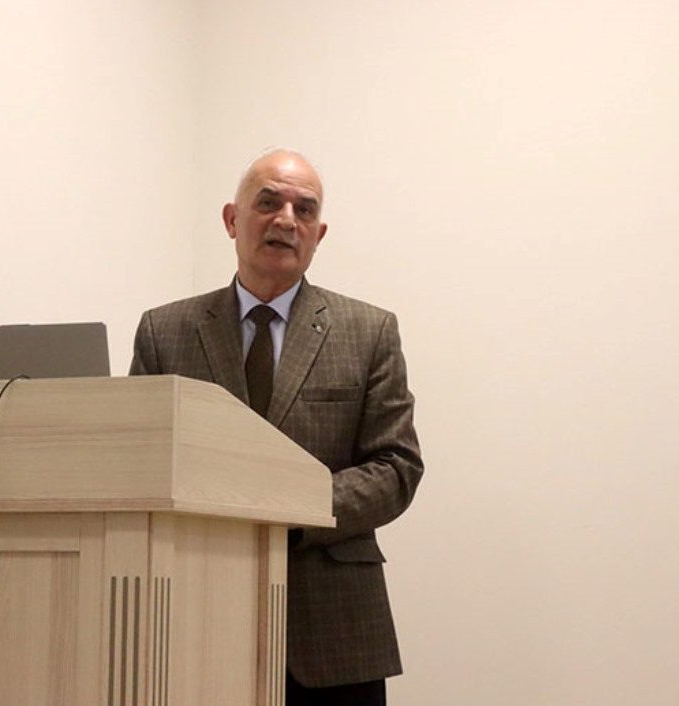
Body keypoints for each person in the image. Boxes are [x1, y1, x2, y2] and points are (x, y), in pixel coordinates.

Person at [129, 148, 423, 705]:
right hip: (192, 618)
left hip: (334, 630)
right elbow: (139, 463)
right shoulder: (164, 332)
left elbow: (396, 468)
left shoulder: (369, 332)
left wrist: (287, 511)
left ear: (318, 235)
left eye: (304, 210)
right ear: (231, 219)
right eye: (268, 203)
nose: (286, 219)